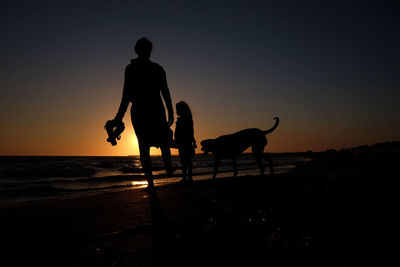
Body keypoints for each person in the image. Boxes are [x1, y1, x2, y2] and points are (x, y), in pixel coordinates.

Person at [114, 37, 175, 190]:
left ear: (137, 50)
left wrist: (118, 117)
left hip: (141, 110)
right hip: (154, 108)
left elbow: (125, 96)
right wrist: (170, 111)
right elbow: (165, 92)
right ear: (149, 51)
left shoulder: (132, 68)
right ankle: (168, 168)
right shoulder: (157, 68)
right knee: (162, 142)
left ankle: (151, 182)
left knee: (144, 147)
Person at [174, 101, 197, 182]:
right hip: (181, 142)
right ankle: (186, 177)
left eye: (177, 109)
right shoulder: (182, 119)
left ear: (182, 110)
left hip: (185, 142)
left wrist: (193, 141)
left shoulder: (187, 119)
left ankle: (188, 177)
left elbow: (190, 132)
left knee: (186, 160)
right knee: (184, 160)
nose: (176, 111)